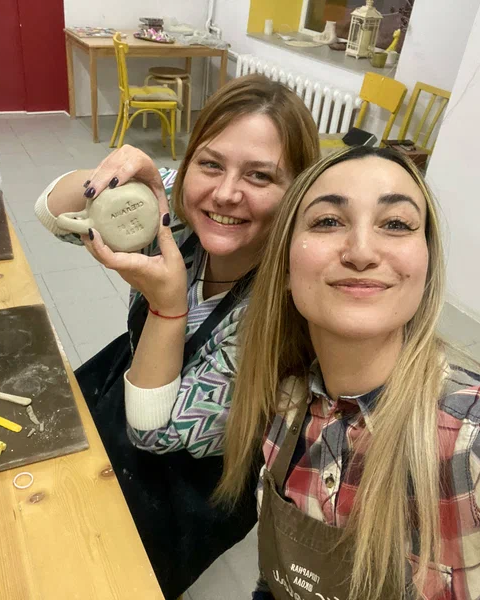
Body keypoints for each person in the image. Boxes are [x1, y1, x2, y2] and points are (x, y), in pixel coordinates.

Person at [216, 145, 480, 599]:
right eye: (328, 221)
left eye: (396, 224)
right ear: (285, 267)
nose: (361, 252)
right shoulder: (287, 404)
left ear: (426, 266)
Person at [34, 74, 320, 598]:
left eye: (260, 176)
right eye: (210, 164)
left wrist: (168, 309)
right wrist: (111, 175)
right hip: (123, 389)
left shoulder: (288, 311)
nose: (225, 193)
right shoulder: (176, 207)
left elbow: (154, 431)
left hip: (191, 481)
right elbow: (50, 212)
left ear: (298, 194)